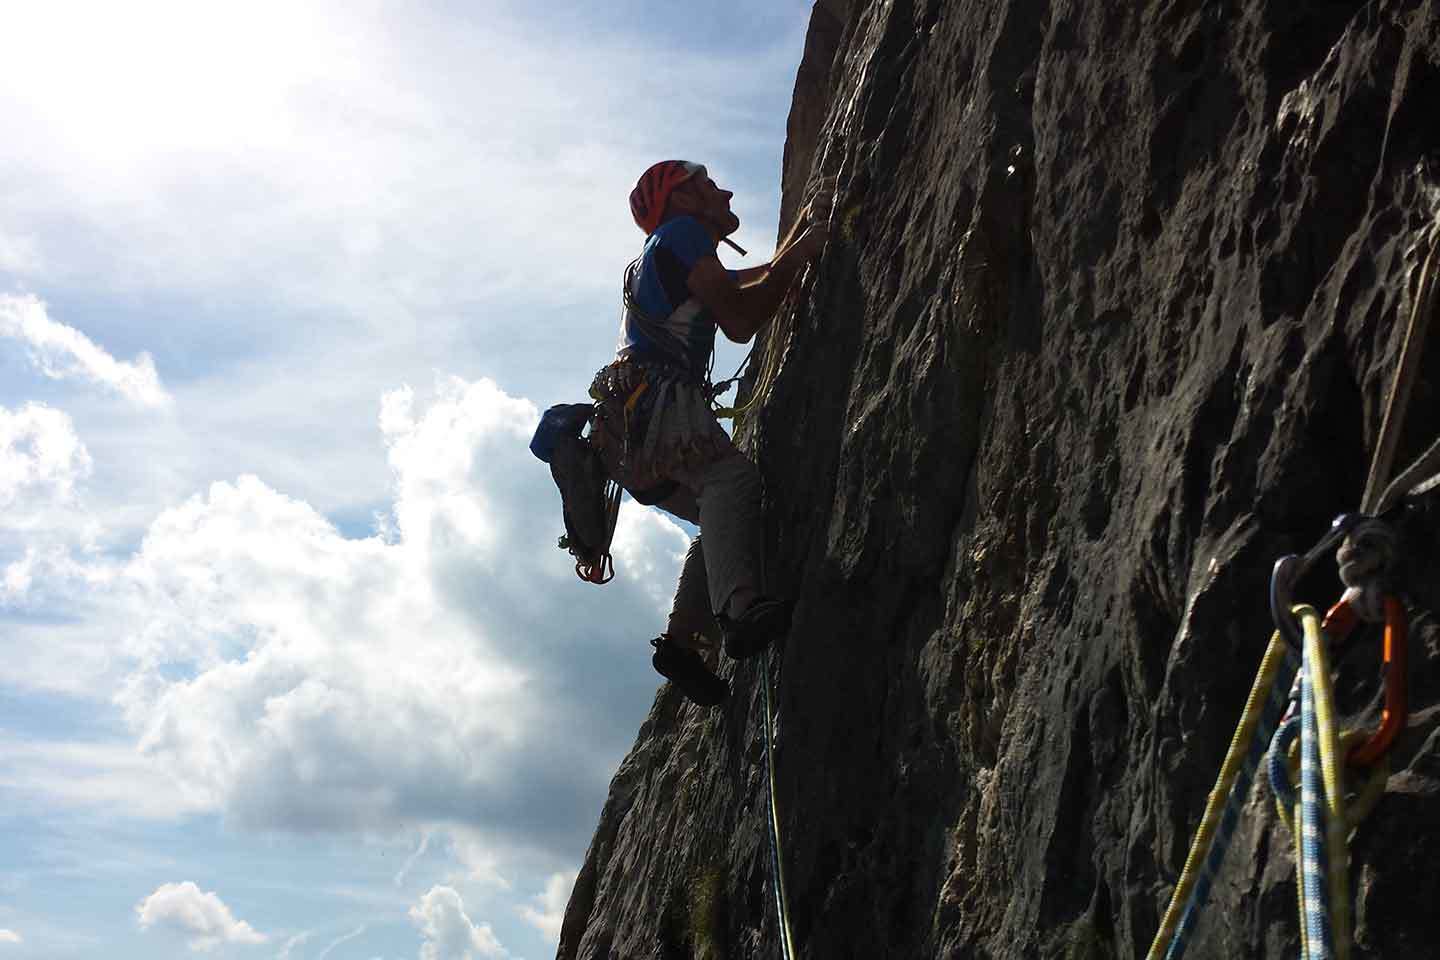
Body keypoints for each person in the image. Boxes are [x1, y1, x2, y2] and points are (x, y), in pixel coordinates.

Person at [587, 160, 829, 706]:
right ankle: (740, 611)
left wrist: (794, 249)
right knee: (731, 482)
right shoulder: (683, 234)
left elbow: (746, 281)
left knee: (720, 516)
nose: (726, 190)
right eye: (708, 185)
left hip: (626, 437)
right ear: (684, 199)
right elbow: (741, 321)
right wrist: (805, 252)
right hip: (656, 414)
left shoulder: (668, 250)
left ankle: (682, 645)